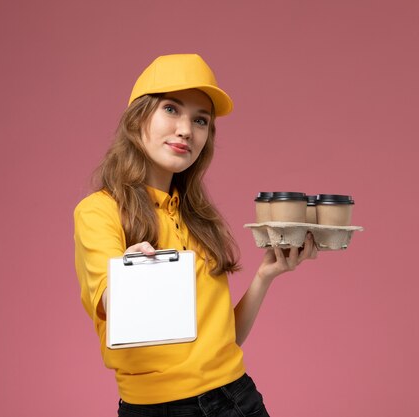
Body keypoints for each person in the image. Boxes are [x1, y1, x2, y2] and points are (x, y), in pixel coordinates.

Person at [74, 53, 318, 417]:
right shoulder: (99, 211)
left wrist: (266, 275)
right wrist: (132, 278)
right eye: (171, 110)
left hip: (236, 400)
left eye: (200, 120)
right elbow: (112, 303)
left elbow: (223, 343)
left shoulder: (197, 219)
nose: (187, 130)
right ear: (137, 118)